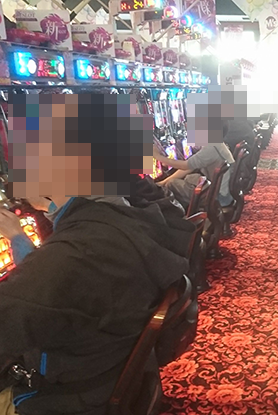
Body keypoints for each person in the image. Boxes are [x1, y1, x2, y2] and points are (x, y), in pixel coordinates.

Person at [0, 93, 193, 415]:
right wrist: (49, 212)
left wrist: (22, 234)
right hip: (102, 371)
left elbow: (13, 319)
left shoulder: (72, 256)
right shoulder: (130, 217)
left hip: (65, 397)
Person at [153, 121, 235, 212]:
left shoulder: (211, 148)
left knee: (171, 184)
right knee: (189, 177)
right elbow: (189, 167)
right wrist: (162, 182)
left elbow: (185, 166)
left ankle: (183, 214)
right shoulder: (217, 144)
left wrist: (158, 157)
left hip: (219, 198)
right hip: (221, 192)